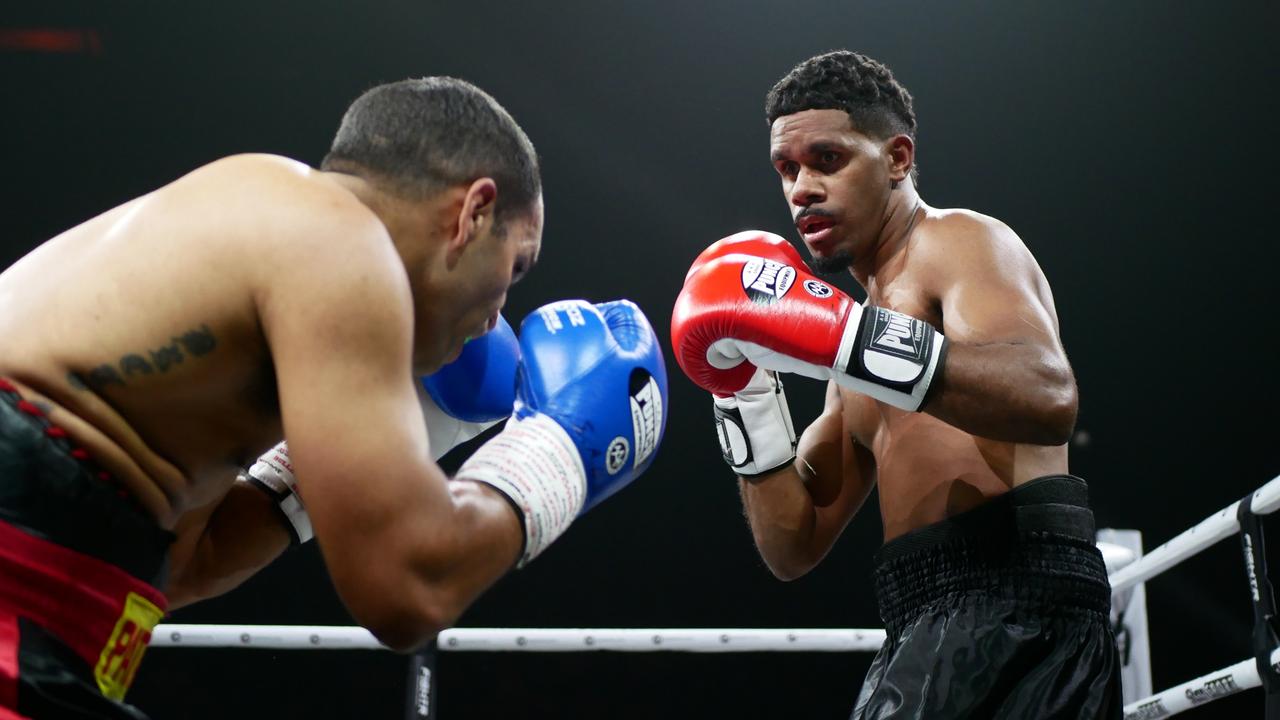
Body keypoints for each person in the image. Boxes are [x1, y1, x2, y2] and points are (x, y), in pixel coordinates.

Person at [0, 76, 668, 719]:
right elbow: (407, 586)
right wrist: (561, 447)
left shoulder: (259, 251)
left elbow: (181, 563)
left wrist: (371, 452)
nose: (497, 317)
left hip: (46, 616)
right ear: (473, 212)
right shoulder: (339, 236)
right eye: (515, 266)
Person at [671, 51, 1121, 718]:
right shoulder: (850, 358)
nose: (801, 188)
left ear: (897, 158)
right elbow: (792, 545)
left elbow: (1048, 399)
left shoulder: (962, 243)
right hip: (920, 613)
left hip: (1021, 602)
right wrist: (742, 390)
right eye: (787, 169)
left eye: (827, 159)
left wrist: (846, 340)